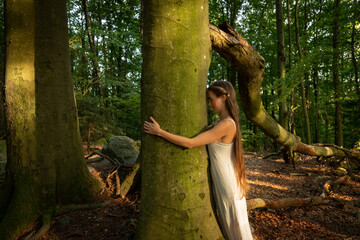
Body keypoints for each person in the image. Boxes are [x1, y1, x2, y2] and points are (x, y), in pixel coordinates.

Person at [144, 80, 253, 240]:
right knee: (232, 229)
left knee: (238, 231)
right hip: (225, 183)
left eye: (211, 99)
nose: (209, 104)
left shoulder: (227, 125)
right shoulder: (219, 123)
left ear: (223, 97)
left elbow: (190, 143)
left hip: (229, 185)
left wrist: (160, 132)